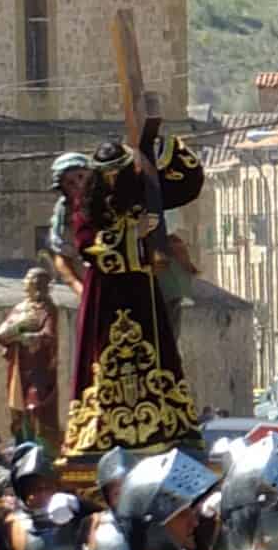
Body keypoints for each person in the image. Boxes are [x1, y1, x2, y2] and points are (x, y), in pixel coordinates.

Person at [56, 123, 207, 453]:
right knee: (101, 362)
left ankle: (167, 426)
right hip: (104, 295)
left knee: (158, 356)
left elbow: (189, 184)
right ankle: (99, 430)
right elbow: (86, 244)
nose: (111, 180)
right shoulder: (87, 204)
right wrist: (133, 240)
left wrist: (156, 146)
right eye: (105, 174)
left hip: (141, 292)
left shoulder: (145, 192)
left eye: (118, 173)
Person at [0, 272, 61, 453]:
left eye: (28, 279)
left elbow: (49, 336)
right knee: (19, 413)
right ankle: (22, 449)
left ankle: (42, 453)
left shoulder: (47, 309)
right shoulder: (19, 309)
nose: (24, 282)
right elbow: (1, 336)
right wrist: (19, 327)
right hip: (18, 370)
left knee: (36, 409)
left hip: (39, 372)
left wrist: (30, 338)